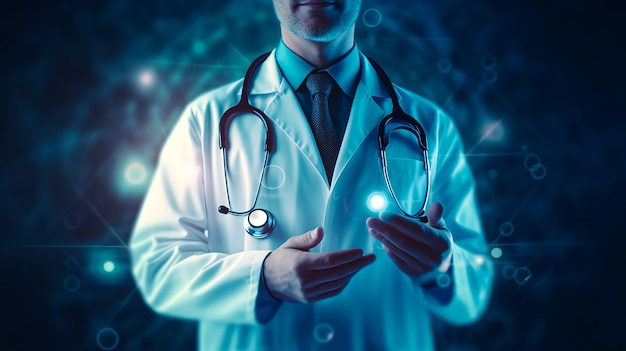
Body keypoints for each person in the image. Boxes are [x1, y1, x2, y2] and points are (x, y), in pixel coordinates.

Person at [130, 1, 494, 350]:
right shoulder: (205, 119)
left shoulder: (429, 125)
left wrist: (442, 267)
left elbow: (473, 288)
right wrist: (263, 279)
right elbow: (157, 265)